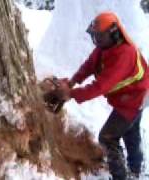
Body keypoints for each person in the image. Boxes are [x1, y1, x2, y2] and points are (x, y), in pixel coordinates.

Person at [58, 11, 149, 180]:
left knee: (108, 137)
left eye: (100, 36)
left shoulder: (124, 54)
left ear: (113, 33)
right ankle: (136, 168)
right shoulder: (105, 47)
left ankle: (121, 176)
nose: (96, 40)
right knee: (130, 131)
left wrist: (71, 94)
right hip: (132, 95)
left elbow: (100, 86)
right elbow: (89, 65)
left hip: (135, 98)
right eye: (95, 36)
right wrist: (72, 82)